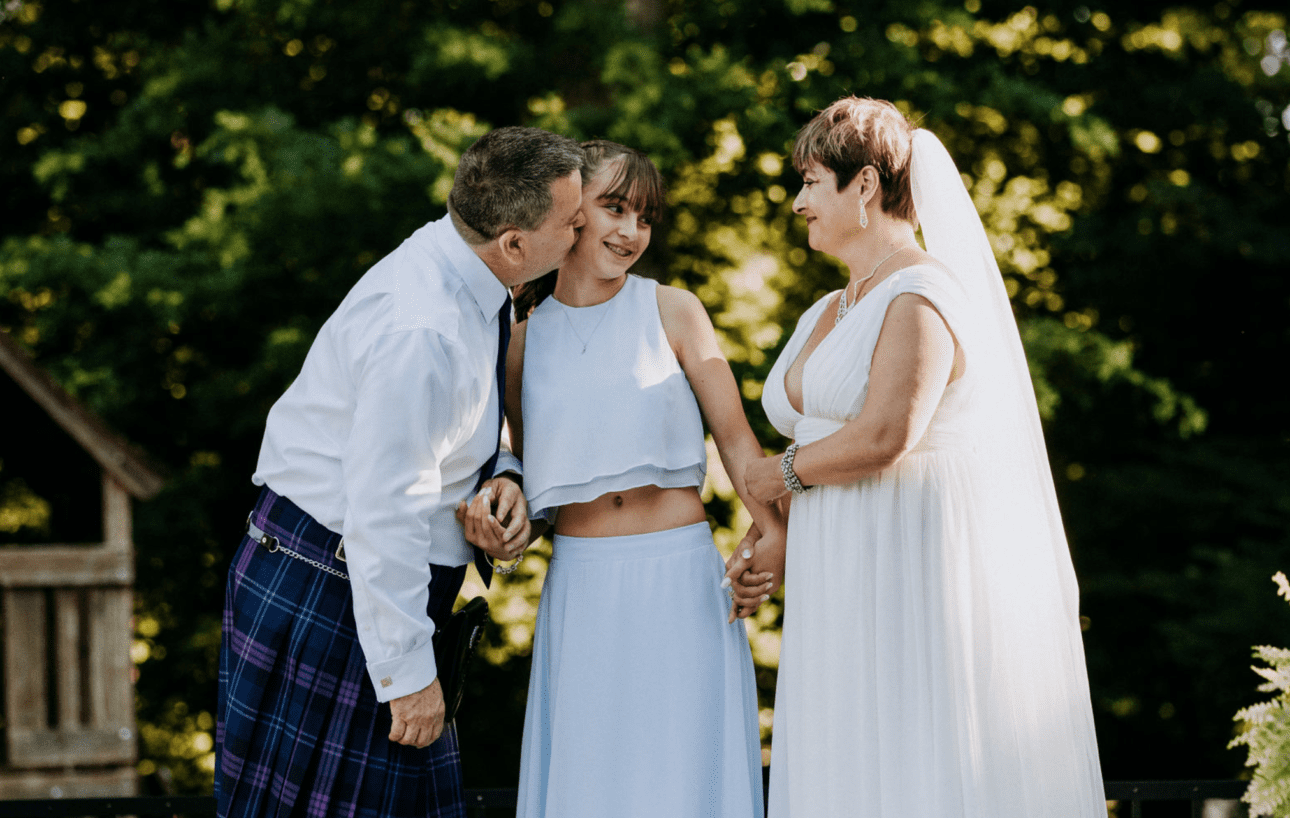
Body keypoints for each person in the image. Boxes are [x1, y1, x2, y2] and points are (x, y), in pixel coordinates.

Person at [727, 97, 1106, 816]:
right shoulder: (824, 310)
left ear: (864, 185)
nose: (798, 202)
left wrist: (769, 478)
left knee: (907, 749)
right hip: (837, 561)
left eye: (811, 182)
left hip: (904, 558)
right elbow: (815, 440)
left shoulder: (921, 293)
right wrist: (772, 529)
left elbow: (884, 434)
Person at [216, 126, 585, 818]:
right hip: (333, 588)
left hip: (352, 586)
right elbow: (384, 509)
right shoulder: (425, 330)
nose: (582, 231)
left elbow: (457, 427)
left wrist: (501, 471)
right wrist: (408, 675)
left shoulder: (468, 271)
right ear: (514, 242)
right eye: (571, 222)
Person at [495, 140, 783, 818]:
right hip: (582, 588)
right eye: (614, 209)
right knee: (593, 786)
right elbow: (529, 485)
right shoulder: (519, 342)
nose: (631, 232)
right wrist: (502, 527)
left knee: (685, 782)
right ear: (570, 213)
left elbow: (739, 444)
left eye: (645, 217)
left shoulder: (674, 310)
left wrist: (772, 533)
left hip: (681, 584)